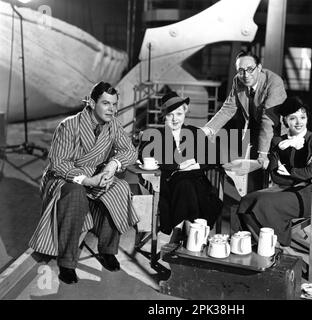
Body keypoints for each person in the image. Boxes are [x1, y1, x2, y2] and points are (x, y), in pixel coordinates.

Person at [29, 82, 139, 284]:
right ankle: (67, 262)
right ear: (91, 102)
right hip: (63, 178)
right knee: (76, 195)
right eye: (106, 103)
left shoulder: (113, 124)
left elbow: (130, 151)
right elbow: (59, 163)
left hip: (97, 175)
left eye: (114, 104)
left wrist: (112, 165)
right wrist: (88, 179)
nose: (112, 109)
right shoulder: (69, 125)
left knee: (118, 188)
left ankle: (107, 250)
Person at [236, 96, 312, 250]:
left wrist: (289, 172)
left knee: (264, 203)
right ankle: (268, 246)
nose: (299, 122)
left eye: (302, 117)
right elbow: (275, 174)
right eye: (293, 118)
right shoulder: (279, 141)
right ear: (285, 120)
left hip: (306, 194)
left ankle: (274, 246)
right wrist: (293, 174)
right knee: (246, 201)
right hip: (284, 189)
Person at [140, 91, 222, 238]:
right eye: (170, 115)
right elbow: (144, 156)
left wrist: (196, 164)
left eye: (179, 114)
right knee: (185, 186)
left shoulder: (195, 132)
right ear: (163, 116)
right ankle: (192, 236)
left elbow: (215, 156)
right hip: (169, 184)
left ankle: (182, 234)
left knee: (191, 187)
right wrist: (178, 166)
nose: (174, 119)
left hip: (198, 184)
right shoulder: (154, 135)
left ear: (185, 113)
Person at [201, 50, 287, 170]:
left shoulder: (274, 82)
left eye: (250, 69)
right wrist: (207, 130)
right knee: (246, 172)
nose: (246, 75)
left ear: (259, 68)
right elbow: (228, 109)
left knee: (270, 172)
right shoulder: (238, 80)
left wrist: (262, 154)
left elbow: (268, 119)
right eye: (241, 71)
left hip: (276, 133)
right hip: (254, 130)